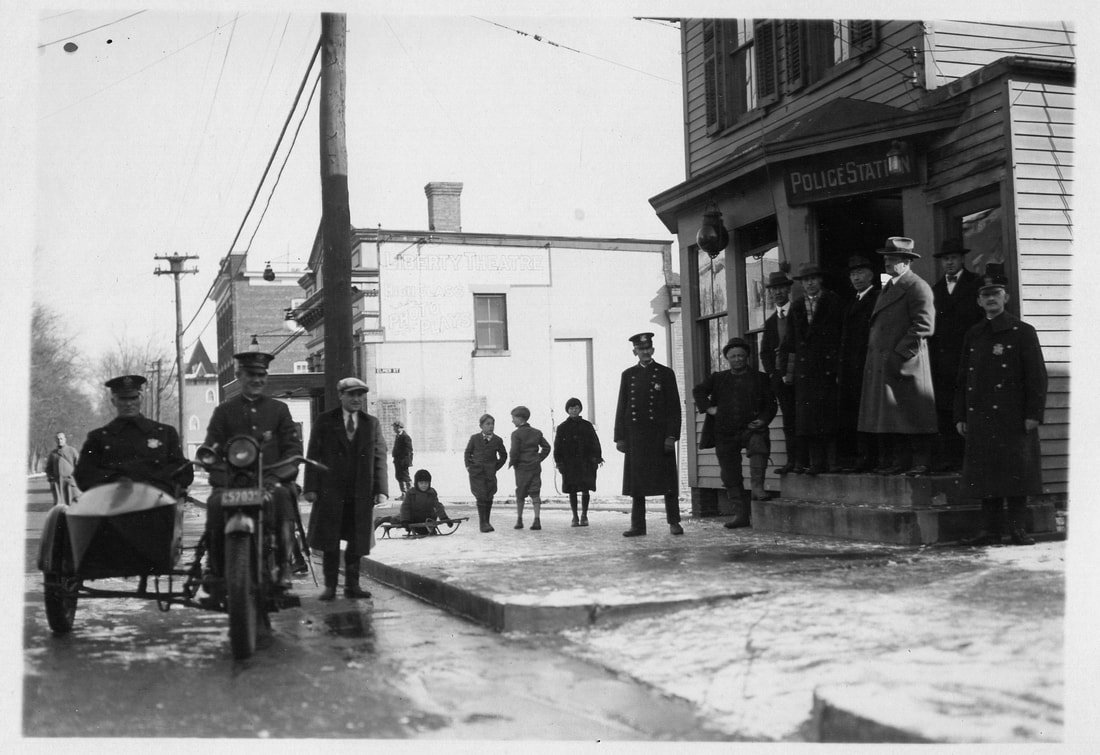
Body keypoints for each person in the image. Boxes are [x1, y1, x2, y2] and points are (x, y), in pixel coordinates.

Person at [955, 272, 1047, 546]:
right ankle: (989, 530)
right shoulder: (974, 334)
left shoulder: (1023, 332)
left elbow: (1037, 377)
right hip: (982, 417)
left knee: (1017, 475)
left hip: (1014, 417)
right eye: (985, 295)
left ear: (1006, 297)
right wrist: (960, 415)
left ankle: (1018, 530)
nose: (991, 299)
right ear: (979, 302)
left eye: (996, 293)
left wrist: (1034, 414)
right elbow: (963, 379)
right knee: (987, 476)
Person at [202, 352, 302, 592]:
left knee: (283, 498)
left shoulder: (279, 410)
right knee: (215, 504)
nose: (257, 380)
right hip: (234, 483)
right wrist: (221, 475)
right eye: (251, 375)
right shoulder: (224, 411)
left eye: (261, 375)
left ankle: (283, 566)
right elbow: (211, 448)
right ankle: (214, 568)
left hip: (270, 480)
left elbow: (292, 447)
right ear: (239, 376)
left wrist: (278, 475)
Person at [857, 237, 938, 476]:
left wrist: (899, 354)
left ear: (905, 262)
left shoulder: (916, 286)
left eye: (891, 259)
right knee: (894, 416)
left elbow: (924, 325)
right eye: (885, 258)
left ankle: (920, 463)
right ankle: (900, 462)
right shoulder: (889, 287)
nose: (887, 263)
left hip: (906, 364)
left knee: (913, 415)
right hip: (886, 363)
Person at [304, 377, 389, 600]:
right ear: (341, 396)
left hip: (360, 493)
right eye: (351, 394)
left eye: (360, 395)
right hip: (330, 492)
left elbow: (379, 457)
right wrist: (311, 487)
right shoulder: (325, 421)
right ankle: (330, 586)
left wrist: (381, 489)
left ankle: (353, 585)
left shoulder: (371, 423)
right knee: (330, 541)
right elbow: (313, 455)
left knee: (357, 542)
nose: (356, 399)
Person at [692, 337, 777, 529]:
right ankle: (741, 515)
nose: (737, 359)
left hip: (751, 428)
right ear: (727, 359)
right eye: (733, 356)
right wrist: (709, 408)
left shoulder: (760, 378)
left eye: (740, 355)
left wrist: (763, 420)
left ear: (746, 356)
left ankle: (757, 487)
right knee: (730, 474)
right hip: (725, 432)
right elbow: (698, 391)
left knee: (759, 445)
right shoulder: (718, 378)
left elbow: (771, 405)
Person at [74, 375, 194, 496]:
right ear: (113, 401)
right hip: (113, 506)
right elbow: (84, 475)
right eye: (123, 399)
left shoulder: (164, 433)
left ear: (140, 398)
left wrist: (155, 482)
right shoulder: (99, 438)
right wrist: (115, 481)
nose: (129, 404)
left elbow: (183, 469)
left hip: (158, 506)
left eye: (133, 398)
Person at [614, 332, 683, 537]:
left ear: (652, 349)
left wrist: (671, 436)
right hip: (636, 438)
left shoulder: (665, 373)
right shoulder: (628, 375)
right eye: (641, 349)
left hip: (660, 437)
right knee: (637, 484)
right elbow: (622, 406)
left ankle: (674, 522)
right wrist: (620, 437)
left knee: (668, 483)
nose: (645, 352)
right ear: (634, 351)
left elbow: (674, 408)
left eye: (648, 348)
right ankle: (638, 525)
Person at [781, 262, 843, 474]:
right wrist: (789, 373)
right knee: (809, 421)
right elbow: (790, 342)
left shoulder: (833, 302)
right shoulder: (797, 306)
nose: (809, 283)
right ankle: (816, 463)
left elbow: (841, 337)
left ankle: (833, 462)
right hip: (805, 372)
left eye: (813, 279)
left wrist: (837, 368)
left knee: (829, 417)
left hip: (827, 368)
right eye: (806, 280)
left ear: (820, 280)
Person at [930, 239, 984, 472]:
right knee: (946, 410)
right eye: (945, 259)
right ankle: (950, 459)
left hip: (969, 357)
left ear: (962, 259)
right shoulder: (935, 289)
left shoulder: (977, 283)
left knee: (969, 408)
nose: (949, 262)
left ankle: (971, 460)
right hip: (943, 361)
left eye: (953, 258)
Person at [836, 256, 881, 472]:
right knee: (855, 412)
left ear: (871, 275)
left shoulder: (877, 298)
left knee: (870, 412)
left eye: (860, 272)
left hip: (868, 365)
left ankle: (873, 457)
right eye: (853, 274)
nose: (856, 277)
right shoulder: (852, 301)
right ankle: (862, 455)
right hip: (852, 368)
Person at [759, 271, 798, 474]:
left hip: (800, 376)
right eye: (774, 290)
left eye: (781, 288)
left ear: (788, 290)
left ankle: (808, 461)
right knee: (789, 419)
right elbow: (765, 352)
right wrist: (774, 374)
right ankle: (793, 460)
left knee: (805, 417)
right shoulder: (771, 322)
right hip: (781, 380)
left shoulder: (798, 314)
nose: (778, 293)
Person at [552, 397, 603, 527]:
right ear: (567, 410)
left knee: (585, 489)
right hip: (570, 465)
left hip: (586, 463)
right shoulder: (562, 427)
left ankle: (584, 515)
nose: (574, 410)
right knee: (572, 490)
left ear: (580, 409)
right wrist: (559, 462)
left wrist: (596, 457)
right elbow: (557, 446)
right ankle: (574, 516)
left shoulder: (587, 425)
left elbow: (595, 442)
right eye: (571, 408)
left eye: (576, 408)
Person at [508, 406, 551, 530]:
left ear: (520, 418)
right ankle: (537, 520)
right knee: (535, 493)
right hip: (535, 467)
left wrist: (512, 462)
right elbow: (547, 447)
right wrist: (538, 458)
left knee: (520, 493)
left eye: (513, 418)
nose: (512, 421)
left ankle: (519, 520)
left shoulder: (516, 434)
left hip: (521, 468)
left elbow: (514, 451)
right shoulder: (536, 432)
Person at [465, 413, 508, 532]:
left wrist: (495, 467)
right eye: (487, 424)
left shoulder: (497, 440)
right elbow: (467, 453)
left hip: (490, 473)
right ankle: (482, 523)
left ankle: (487, 522)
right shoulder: (474, 438)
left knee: (489, 496)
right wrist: (469, 467)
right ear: (481, 426)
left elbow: (504, 456)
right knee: (481, 496)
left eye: (492, 424)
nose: (491, 426)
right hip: (476, 473)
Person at [399, 469, 450, 535]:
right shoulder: (411, 493)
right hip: (414, 519)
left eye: (426, 483)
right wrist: (405, 520)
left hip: (427, 519)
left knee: (440, 506)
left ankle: (429, 529)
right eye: (421, 483)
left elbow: (438, 506)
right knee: (397, 518)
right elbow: (405, 507)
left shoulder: (431, 493)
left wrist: (444, 518)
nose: (424, 485)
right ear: (416, 483)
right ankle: (386, 519)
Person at [45, 432, 80, 505]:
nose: (59, 440)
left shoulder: (72, 451)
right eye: (57, 439)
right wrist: (51, 478)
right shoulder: (53, 454)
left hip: (70, 483)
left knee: (73, 503)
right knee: (59, 506)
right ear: (55, 441)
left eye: (61, 438)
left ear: (65, 439)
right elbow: (48, 468)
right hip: (58, 484)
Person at [391, 421, 414, 494]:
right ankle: (404, 494)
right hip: (397, 460)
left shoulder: (405, 437)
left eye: (395, 427)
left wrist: (404, 460)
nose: (393, 429)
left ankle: (412, 494)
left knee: (405, 477)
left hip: (403, 461)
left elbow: (409, 450)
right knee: (399, 476)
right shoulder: (398, 436)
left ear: (399, 427)